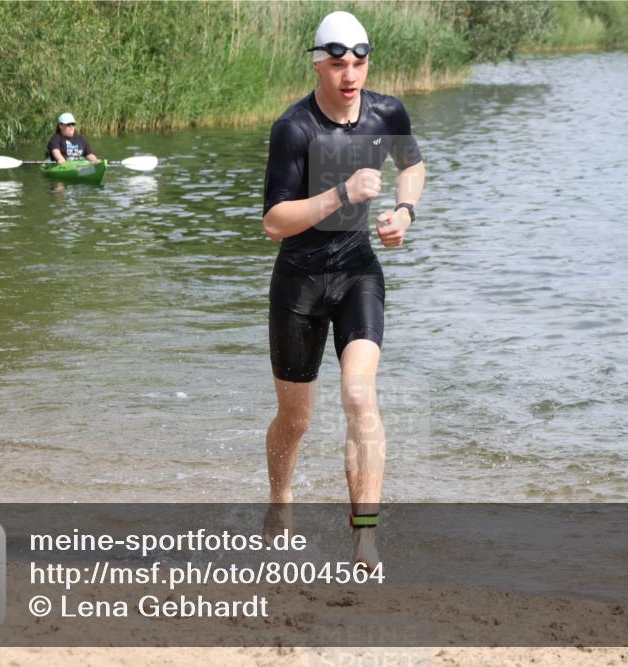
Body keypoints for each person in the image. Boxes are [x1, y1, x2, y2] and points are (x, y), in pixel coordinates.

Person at [261, 11, 426, 567]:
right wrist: (341, 192)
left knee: (359, 395)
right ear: (318, 65)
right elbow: (275, 222)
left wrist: (405, 210)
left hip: (358, 271)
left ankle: (365, 536)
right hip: (299, 285)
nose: (349, 75)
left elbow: (412, 166)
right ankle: (281, 498)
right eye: (337, 64)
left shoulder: (387, 112)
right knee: (297, 420)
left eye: (358, 62)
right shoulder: (294, 128)